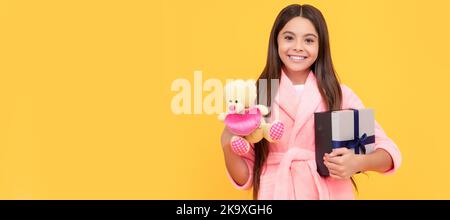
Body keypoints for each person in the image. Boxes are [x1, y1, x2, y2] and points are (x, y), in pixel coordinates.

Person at [220, 4, 402, 200]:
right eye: (289, 37)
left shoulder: (338, 94)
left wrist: (357, 162)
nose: (298, 46)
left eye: (309, 40)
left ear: (320, 46)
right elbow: (245, 178)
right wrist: (226, 142)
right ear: (276, 42)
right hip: (276, 192)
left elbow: (389, 153)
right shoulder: (257, 95)